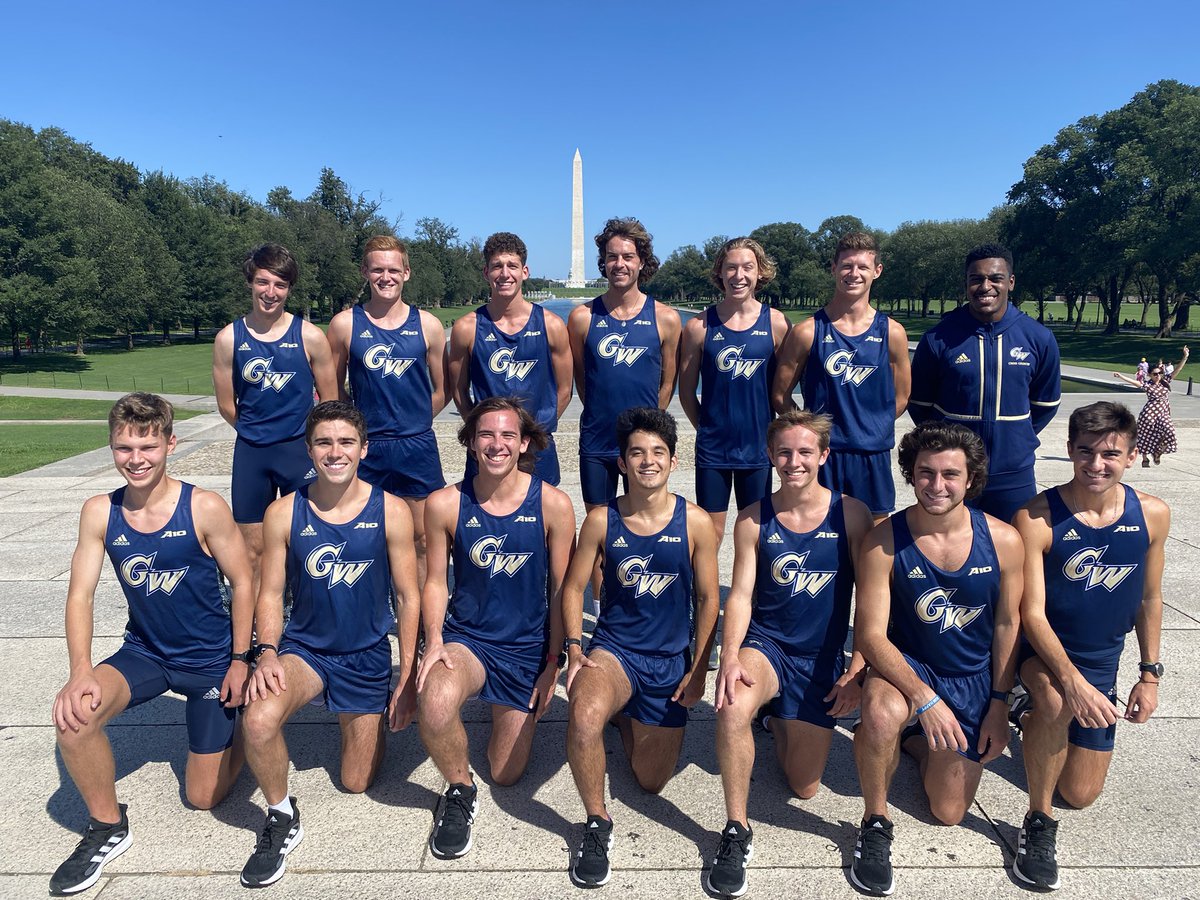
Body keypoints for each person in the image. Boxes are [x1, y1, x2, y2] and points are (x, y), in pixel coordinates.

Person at [50, 393, 254, 896]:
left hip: (209, 661)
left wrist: (240, 660)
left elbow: (245, 582)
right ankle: (107, 825)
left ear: (170, 443)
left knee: (203, 797)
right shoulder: (100, 512)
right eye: (124, 447)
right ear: (112, 447)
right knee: (74, 719)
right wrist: (80, 670)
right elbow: (80, 596)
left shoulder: (203, 506)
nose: (136, 459)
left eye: (148, 445)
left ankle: (246, 730)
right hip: (145, 653)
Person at [238, 401, 420, 888]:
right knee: (257, 719)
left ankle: (368, 714)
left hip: (365, 655)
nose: (334, 452)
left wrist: (405, 675)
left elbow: (407, 596)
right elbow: (271, 592)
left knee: (356, 782)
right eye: (323, 442)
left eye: (345, 442)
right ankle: (280, 814)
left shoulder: (392, 510)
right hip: (306, 650)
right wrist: (268, 651)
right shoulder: (283, 511)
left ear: (364, 448)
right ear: (309, 449)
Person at [850, 422, 1023, 897]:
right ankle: (875, 822)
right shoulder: (885, 539)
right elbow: (868, 634)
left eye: (950, 474)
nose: (937, 485)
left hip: (969, 676)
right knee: (881, 711)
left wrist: (1000, 704)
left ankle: (913, 741)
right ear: (910, 473)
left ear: (971, 479)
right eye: (925, 473)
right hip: (910, 669)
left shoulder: (1004, 540)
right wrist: (924, 698)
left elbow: (1009, 626)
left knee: (948, 812)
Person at [707, 410, 874, 898]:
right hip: (769, 646)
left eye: (805, 452)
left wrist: (859, 666)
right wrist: (732, 655)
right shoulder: (753, 518)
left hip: (822, 657)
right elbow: (739, 595)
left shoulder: (854, 514)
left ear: (824, 455)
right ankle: (736, 830)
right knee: (734, 703)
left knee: (804, 787)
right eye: (784, 452)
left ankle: (778, 717)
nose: (793, 461)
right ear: (770, 456)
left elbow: (870, 597)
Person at [1009, 401, 1170, 890]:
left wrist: (1148, 674)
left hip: (1102, 662)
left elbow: (1148, 598)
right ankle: (1037, 824)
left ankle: (1034, 719)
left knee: (1079, 793)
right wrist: (1070, 683)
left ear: (1131, 454)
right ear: (1069, 450)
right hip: (1039, 654)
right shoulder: (1037, 515)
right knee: (1058, 702)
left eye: (1110, 454)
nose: (1096, 465)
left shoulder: (1153, 515)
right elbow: (1030, 615)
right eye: (1086, 452)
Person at [562, 407, 719, 889]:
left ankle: (627, 715)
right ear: (622, 462)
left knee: (651, 780)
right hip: (615, 651)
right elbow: (571, 588)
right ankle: (595, 822)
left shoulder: (694, 523)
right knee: (584, 714)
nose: (648, 461)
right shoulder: (599, 519)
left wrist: (699, 668)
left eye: (658, 452)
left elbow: (710, 597)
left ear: (673, 461)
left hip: (669, 659)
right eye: (637, 452)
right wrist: (573, 648)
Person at [417, 397, 575, 859]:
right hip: (470, 640)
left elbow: (563, 591)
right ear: (470, 442)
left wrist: (554, 661)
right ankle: (460, 791)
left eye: (508, 435)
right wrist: (433, 642)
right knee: (436, 701)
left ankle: (509, 712)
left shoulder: (553, 504)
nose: (497, 444)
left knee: (506, 772)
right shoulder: (444, 503)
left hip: (526, 650)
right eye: (486, 434)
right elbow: (434, 582)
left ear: (524, 442)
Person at [212, 243, 337, 590]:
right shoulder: (228, 339)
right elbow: (226, 404)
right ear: (250, 283)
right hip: (253, 452)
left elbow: (329, 401)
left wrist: (310, 440)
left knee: (308, 536)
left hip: (298, 450)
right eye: (263, 283)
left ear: (289, 289)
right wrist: (256, 430)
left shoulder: (310, 337)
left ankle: (307, 609)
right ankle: (259, 623)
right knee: (252, 545)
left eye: (280, 285)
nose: (271, 293)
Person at [327, 234, 449, 586]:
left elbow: (441, 390)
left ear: (406, 273)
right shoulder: (345, 324)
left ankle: (424, 618)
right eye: (377, 269)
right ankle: (371, 609)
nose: (386, 277)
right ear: (365, 271)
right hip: (368, 448)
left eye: (393, 269)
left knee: (422, 538)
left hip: (416, 445)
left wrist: (414, 421)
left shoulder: (426, 324)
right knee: (363, 535)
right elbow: (334, 393)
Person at [909, 242, 1061, 523]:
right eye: (976, 279)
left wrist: (1014, 438)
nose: (985, 286)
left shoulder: (1038, 338)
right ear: (966, 283)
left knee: (1015, 554)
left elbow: (1045, 405)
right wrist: (949, 446)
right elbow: (920, 407)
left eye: (995, 278)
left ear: (1011, 282)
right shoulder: (938, 338)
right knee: (952, 552)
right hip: (954, 473)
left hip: (1013, 474)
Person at [771, 232, 910, 521]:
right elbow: (781, 395)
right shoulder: (807, 331)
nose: (854, 273)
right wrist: (810, 432)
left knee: (872, 543)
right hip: (824, 454)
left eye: (862, 267)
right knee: (820, 534)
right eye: (846, 266)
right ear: (834, 268)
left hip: (872, 455)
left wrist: (871, 424)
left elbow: (901, 396)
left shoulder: (892, 332)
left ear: (877, 271)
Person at [679, 237, 790, 546]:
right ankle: (707, 595)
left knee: (754, 533)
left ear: (760, 273)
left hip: (757, 448)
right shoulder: (699, 327)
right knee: (708, 535)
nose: (738, 275)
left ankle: (751, 595)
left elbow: (784, 389)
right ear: (720, 272)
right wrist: (707, 427)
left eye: (747, 267)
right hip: (713, 450)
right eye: (731, 267)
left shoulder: (777, 324)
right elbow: (687, 393)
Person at [568, 217, 683, 508]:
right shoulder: (582, 318)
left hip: (644, 444)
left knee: (644, 523)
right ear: (603, 263)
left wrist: (648, 424)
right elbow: (581, 377)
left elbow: (668, 381)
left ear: (642, 262)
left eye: (628, 256)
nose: (620, 264)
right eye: (612, 257)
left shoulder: (665, 318)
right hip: (597, 438)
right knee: (600, 523)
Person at [447, 232, 572, 484]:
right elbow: (459, 391)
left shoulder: (552, 325)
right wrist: (481, 430)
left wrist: (535, 429)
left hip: (537, 444)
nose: (505, 274)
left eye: (512, 266)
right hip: (488, 447)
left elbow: (565, 388)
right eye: (497, 266)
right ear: (486, 273)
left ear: (524, 271)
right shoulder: (467, 328)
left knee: (541, 515)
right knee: (483, 515)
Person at [1112, 345, 1189, 466]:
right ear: (1149, 375)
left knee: (1169, 431)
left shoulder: (1166, 381)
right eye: (1155, 374)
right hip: (1149, 414)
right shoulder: (1148, 385)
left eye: (1159, 373)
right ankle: (1145, 457)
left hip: (1163, 413)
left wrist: (1185, 357)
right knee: (1145, 435)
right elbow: (1136, 382)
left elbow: (1177, 370)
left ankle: (1157, 452)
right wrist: (1121, 376)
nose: (1158, 375)